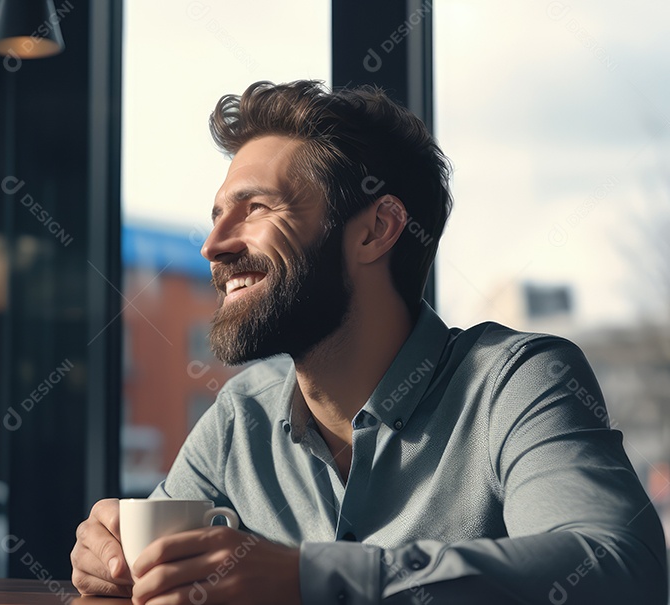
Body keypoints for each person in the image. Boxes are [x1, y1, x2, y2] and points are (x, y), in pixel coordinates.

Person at [69, 80, 669, 604]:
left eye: (255, 209)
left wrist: (310, 578)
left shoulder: (515, 382)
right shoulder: (239, 414)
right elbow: (154, 561)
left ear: (376, 230)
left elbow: (618, 570)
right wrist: (111, 552)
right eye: (217, 215)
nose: (213, 245)